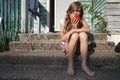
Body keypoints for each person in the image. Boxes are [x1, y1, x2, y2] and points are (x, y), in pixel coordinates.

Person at [60, 1, 95, 77]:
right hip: (68, 47)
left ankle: (84, 65)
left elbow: (88, 30)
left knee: (83, 35)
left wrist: (74, 30)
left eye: (78, 11)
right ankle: (70, 64)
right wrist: (72, 30)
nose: (76, 13)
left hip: (79, 48)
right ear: (69, 12)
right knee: (75, 35)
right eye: (74, 11)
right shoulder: (63, 22)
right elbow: (63, 39)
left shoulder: (82, 20)